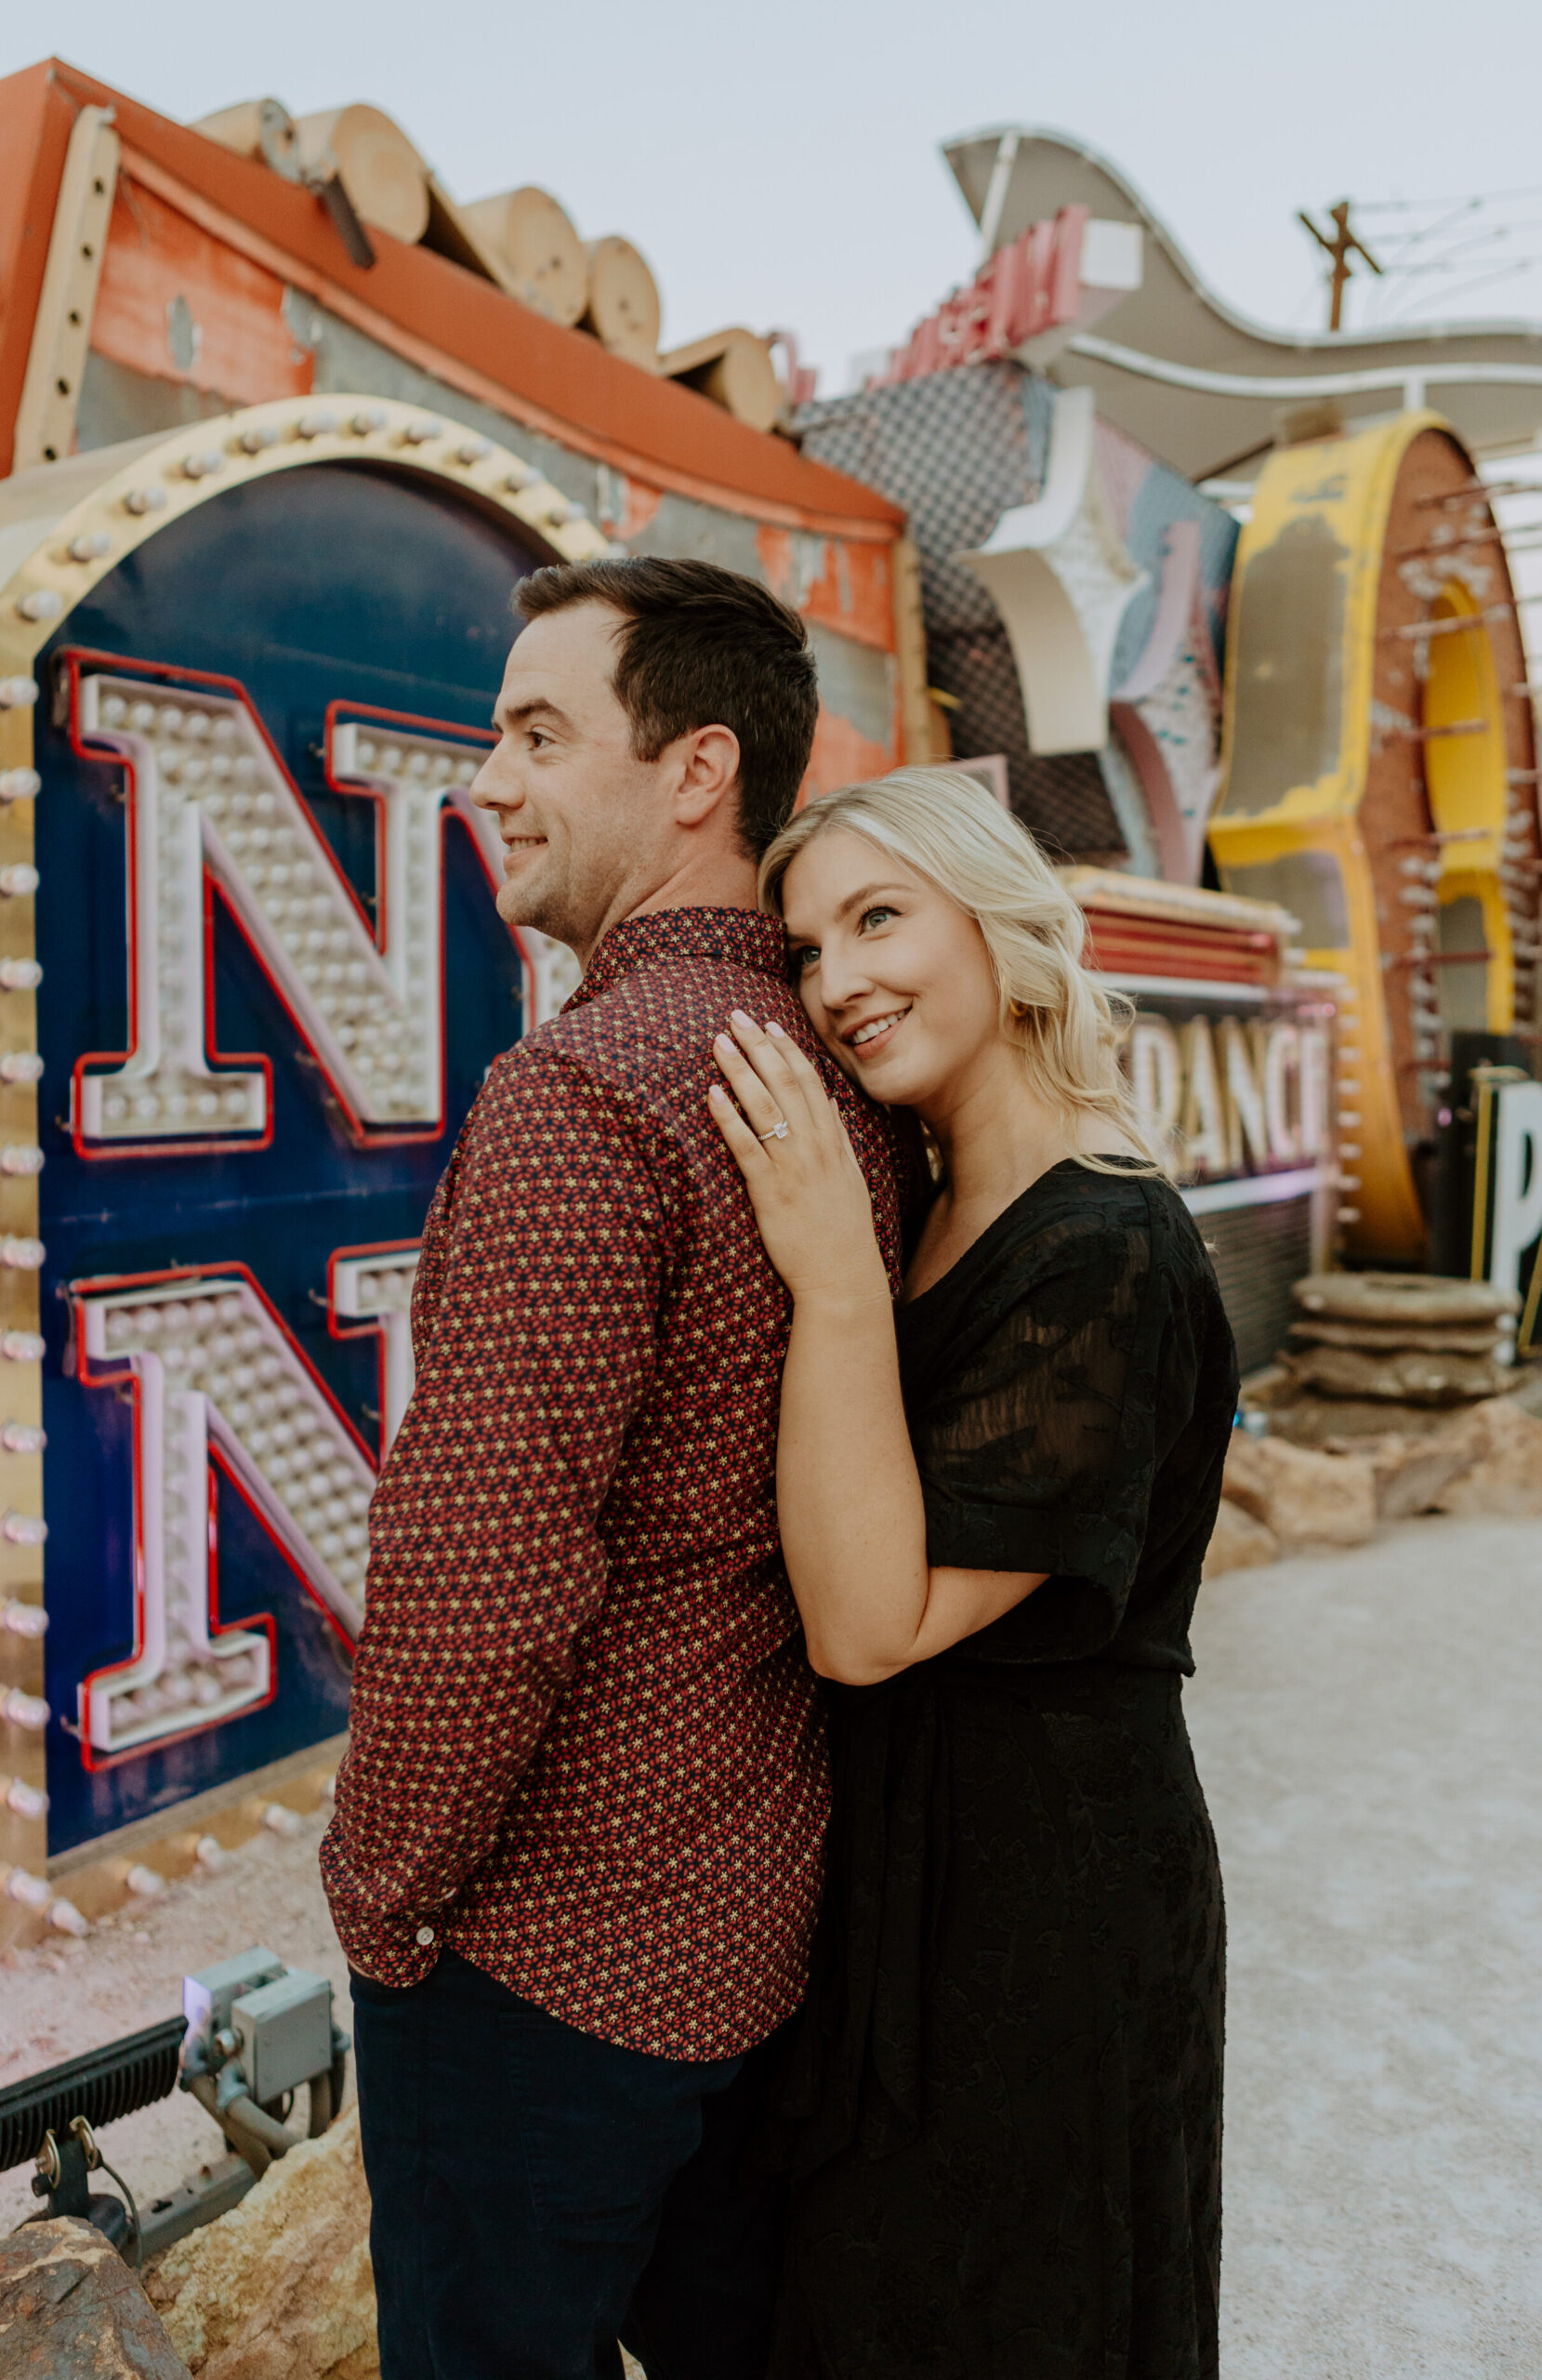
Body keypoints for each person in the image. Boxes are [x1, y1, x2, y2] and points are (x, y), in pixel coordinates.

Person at [319, 559, 912, 2380]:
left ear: (694, 769)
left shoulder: (581, 1093)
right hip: (757, 1933)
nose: (484, 777)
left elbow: (481, 1578)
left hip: (543, 1973)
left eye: (536, 731)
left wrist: (380, 1886)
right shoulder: (849, 1074)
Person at [706, 767, 1236, 2380]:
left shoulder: (1104, 1250)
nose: (838, 980)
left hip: (1048, 1913)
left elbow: (872, 1626)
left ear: (1002, 925)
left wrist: (832, 1284)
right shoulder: (938, 1191)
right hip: (909, 1875)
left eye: (880, 918)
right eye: (804, 950)